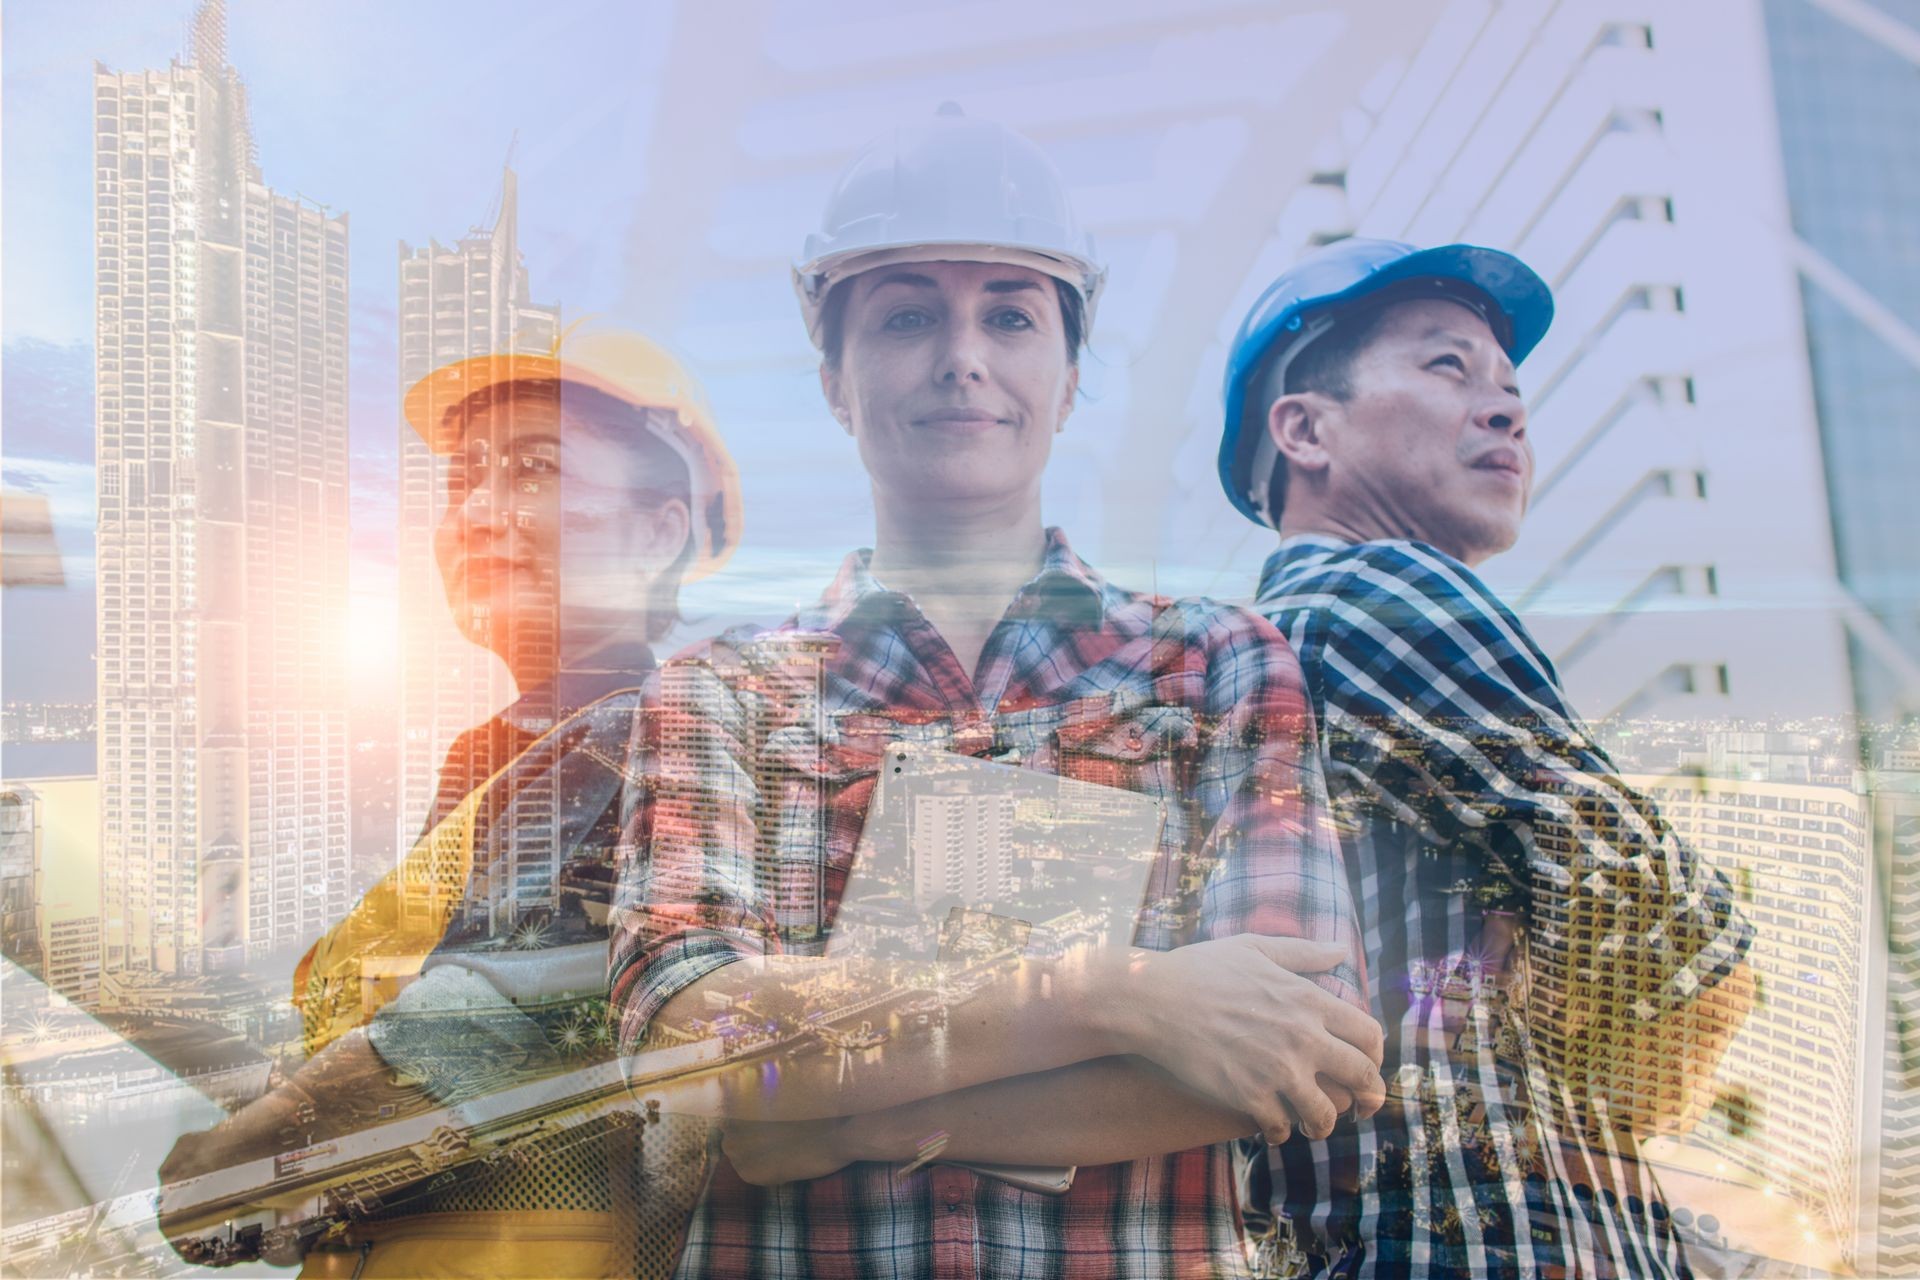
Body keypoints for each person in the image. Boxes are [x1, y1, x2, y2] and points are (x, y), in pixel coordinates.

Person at [607, 103, 1384, 1280]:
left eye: (1011, 314)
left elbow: (1304, 1044)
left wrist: (826, 1114)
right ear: (834, 379)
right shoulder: (721, 693)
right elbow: (690, 1035)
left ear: (1068, 379)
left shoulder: (1217, 663)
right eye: (907, 313)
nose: (962, 354)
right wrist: (1122, 996)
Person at [1215, 237, 1757, 1278]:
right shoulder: (1374, 595)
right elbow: (1683, 941)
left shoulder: (1252, 655)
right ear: (1305, 429)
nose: (1507, 411)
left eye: (1510, 387)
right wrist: (1597, 1047)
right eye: (1448, 366)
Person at [160, 329, 742, 1278]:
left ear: (656, 533)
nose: (476, 511)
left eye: (535, 468)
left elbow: (514, 1015)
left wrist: (262, 1149)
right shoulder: (503, 750)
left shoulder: (638, 733)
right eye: (463, 477)